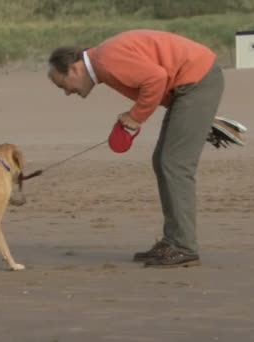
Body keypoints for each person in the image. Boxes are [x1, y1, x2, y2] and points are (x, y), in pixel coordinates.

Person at [47, 29, 224, 268]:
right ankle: (173, 241)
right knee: (163, 161)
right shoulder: (103, 62)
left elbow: (156, 79)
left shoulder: (105, 60)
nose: (68, 92)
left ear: (75, 68)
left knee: (174, 164)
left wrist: (136, 116)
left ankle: (184, 247)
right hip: (191, 86)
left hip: (196, 81)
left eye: (63, 85)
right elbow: (157, 81)